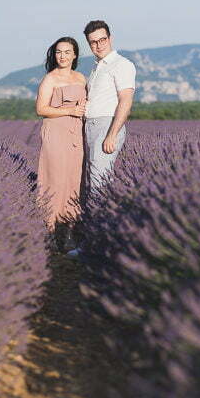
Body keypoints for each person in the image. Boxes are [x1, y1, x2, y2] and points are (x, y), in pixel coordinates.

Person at [64, 20, 136, 258]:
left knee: (99, 188)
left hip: (107, 126)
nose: (98, 44)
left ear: (110, 38)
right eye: (93, 42)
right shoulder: (97, 67)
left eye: (102, 39)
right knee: (92, 186)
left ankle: (95, 248)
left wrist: (112, 134)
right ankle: (98, 243)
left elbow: (125, 101)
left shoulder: (121, 65)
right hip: (92, 127)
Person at [35, 36, 87, 251]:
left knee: (74, 181)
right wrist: (70, 111)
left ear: (74, 54)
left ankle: (68, 233)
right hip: (56, 132)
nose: (62, 56)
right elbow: (41, 109)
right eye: (58, 52)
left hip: (75, 133)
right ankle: (48, 233)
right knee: (54, 181)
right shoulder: (51, 79)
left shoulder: (81, 78)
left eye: (67, 52)